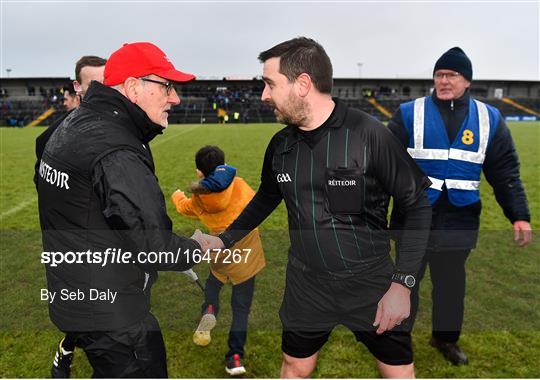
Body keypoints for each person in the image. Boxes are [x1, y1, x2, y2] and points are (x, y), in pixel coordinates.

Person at [201, 37, 432, 378]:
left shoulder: (370, 135)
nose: (264, 95)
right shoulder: (280, 145)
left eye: (270, 84)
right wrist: (223, 239)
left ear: (303, 84)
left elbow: (417, 204)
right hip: (306, 285)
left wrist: (403, 284)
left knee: (397, 372)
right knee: (294, 366)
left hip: (371, 283)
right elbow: (267, 197)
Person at [37, 42, 207, 378]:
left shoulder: (74, 124)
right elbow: (155, 247)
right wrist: (198, 247)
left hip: (75, 295)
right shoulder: (117, 148)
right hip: (113, 315)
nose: (175, 98)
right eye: (167, 86)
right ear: (132, 87)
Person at [387, 47, 532, 365]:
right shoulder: (409, 112)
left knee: (451, 284)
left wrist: (519, 216)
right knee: (406, 282)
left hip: (461, 218)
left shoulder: (489, 118)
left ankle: (445, 339)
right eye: (439, 74)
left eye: (451, 75)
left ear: (467, 80)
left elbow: (505, 171)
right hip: (414, 215)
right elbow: (383, 165)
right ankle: (398, 342)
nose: (444, 80)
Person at [171, 145, 265, 376]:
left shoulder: (200, 198)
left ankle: (210, 309)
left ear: (199, 173)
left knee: (214, 283)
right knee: (241, 309)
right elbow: (258, 204)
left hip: (220, 248)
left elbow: (185, 208)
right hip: (246, 251)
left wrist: (176, 195)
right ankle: (234, 358)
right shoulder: (239, 184)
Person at [34, 56, 107, 188]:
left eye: (105, 84)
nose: (100, 90)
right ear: (77, 87)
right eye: (93, 85)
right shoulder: (55, 132)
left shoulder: (122, 122)